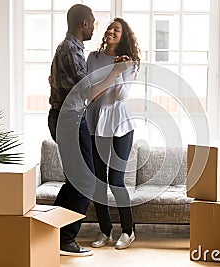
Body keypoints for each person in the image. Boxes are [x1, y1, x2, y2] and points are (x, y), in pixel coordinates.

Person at [48, 5, 132, 256]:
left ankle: (52, 232)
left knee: (77, 180)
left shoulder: (71, 50)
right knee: (85, 180)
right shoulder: (73, 51)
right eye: (94, 23)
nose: (97, 27)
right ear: (84, 23)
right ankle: (65, 239)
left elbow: (59, 82)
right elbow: (89, 94)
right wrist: (116, 72)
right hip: (70, 119)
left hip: (72, 118)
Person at [85, 18, 140, 250]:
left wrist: (118, 71)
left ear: (123, 36)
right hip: (95, 121)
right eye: (109, 28)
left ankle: (128, 231)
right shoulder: (93, 58)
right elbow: (89, 92)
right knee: (98, 180)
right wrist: (114, 70)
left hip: (120, 123)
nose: (111, 31)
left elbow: (121, 96)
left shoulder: (131, 62)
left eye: (116, 30)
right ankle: (105, 230)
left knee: (116, 180)